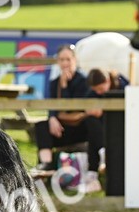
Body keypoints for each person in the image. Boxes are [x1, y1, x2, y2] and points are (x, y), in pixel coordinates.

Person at [31, 45, 102, 193]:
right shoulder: (53, 82)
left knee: (92, 123)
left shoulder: (84, 81)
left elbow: (72, 107)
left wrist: (64, 86)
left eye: (68, 59)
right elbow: (53, 105)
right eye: (62, 60)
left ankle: (93, 171)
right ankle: (46, 165)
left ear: (75, 60)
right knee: (41, 126)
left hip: (81, 128)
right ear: (57, 61)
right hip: (62, 129)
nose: (65, 63)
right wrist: (52, 118)